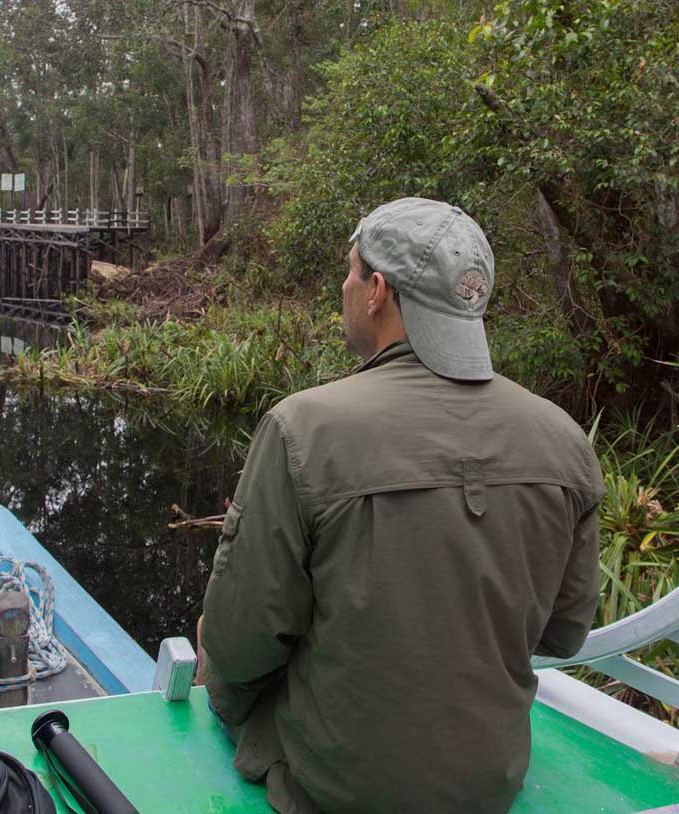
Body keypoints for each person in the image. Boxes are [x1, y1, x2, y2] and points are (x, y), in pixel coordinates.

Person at [198, 197, 604, 814]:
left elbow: (240, 645)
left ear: (377, 292)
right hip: (490, 783)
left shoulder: (302, 428)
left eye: (351, 271)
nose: (344, 285)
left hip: (335, 788)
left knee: (214, 636)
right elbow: (565, 632)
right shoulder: (565, 439)